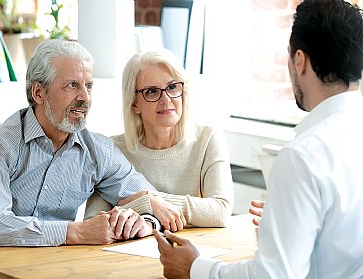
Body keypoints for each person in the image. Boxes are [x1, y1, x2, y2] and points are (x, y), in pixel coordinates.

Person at [154, 0, 363, 278]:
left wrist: (196, 268)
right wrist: (290, 217)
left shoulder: (304, 156)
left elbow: (275, 275)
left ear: (299, 60)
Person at [0, 39, 177, 253]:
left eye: (89, 86)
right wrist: (78, 231)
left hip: (42, 268)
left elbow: (152, 202)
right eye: (72, 85)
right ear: (38, 92)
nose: (84, 97)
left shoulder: (97, 151)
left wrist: (144, 223)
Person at [86, 49, 234, 230]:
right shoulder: (111, 151)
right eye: (152, 91)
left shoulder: (208, 139)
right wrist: (150, 204)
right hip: (128, 254)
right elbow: (94, 221)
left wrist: (149, 198)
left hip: (191, 251)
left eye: (172, 87)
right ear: (134, 103)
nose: (166, 99)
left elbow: (221, 211)